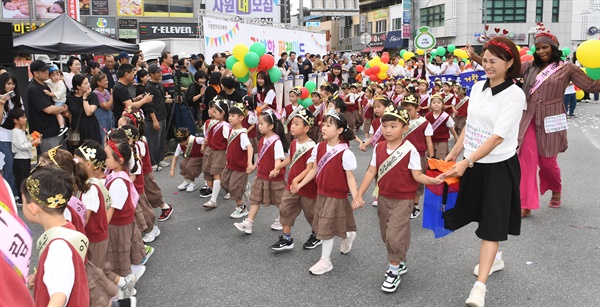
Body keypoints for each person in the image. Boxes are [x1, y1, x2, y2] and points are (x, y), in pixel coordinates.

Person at [468, 32, 600, 217]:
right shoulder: (529, 66)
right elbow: (505, 69)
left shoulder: (567, 68)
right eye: (538, 48)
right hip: (527, 116)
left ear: (553, 48)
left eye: (545, 47)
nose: (541, 51)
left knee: (547, 162)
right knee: (525, 160)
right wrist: (476, 57)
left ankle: (556, 188)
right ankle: (525, 204)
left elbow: (592, 87)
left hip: (552, 118)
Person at [443, 36, 525, 307]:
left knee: (492, 224)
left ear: (510, 62)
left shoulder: (515, 95)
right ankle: (496, 258)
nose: (487, 65)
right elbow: (471, 124)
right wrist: (455, 153)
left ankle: (479, 288)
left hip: (499, 167)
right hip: (474, 164)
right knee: (479, 215)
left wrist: (466, 161)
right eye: (485, 60)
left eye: (494, 61)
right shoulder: (478, 87)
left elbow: (497, 137)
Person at [354, 105, 444, 292]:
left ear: (404, 129)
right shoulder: (378, 147)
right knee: (387, 235)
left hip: (404, 200)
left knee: (394, 235)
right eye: (385, 126)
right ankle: (400, 259)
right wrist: (358, 195)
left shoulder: (409, 149)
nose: (388, 130)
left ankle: (393, 271)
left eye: (393, 126)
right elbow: (372, 171)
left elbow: (417, 175)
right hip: (384, 197)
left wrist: (432, 181)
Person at [294, 109, 358, 275]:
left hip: (337, 195)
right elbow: (314, 170)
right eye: (323, 124)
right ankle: (348, 235)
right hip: (321, 193)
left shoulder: (345, 152)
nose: (323, 127)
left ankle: (325, 261)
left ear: (339, 130)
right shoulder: (319, 147)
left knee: (326, 226)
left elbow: (350, 178)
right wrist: (301, 184)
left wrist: (357, 196)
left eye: (329, 125)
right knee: (333, 223)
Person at [21, 167, 90, 306]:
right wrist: (39, 275)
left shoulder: (58, 246)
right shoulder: (65, 229)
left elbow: (59, 296)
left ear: (33, 208)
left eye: (23, 201)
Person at [270, 107, 321, 251]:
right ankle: (286, 238)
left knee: (311, 213)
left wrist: (296, 181)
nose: (292, 126)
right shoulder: (293, 143)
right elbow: (291, 158)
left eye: (297, 123)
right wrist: (277, 167)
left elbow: (310, 168)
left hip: (307, 186)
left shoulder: (311, 146)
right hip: (292, 185)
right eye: (292, 123)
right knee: (286, 208)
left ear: (306, 128)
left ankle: (316, 235)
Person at [234, 109, 289, 234]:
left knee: (279, 201)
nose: (258, 126)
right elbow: (260, 155)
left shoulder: (276, 141)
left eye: (261, 124)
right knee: (255, 199)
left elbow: (278, 159)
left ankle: (283, 219)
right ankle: (248, 223)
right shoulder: (262, 139)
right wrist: (253, 166)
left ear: (271, 126)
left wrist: (275, 169)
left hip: (274, 178)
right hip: (261, 175)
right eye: (258, 123)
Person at [103, 137, 142, 293]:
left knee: (119, 256)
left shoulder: (119, 181)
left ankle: (127, 285)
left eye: (106, 157)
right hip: (119, 224)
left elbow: (111, 210)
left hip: (118, 226)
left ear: (119, 160)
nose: (103, 159)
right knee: (119, 254)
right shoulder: (114, 173)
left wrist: (100, 227)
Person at [400, 94, 435, 218]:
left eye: (409, 110)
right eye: (404, 110)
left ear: (418, 109)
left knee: (418, 181)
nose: (407, 113)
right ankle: (405, 203)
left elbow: (429, 141)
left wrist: (431, 158)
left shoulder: (424, 123)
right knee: (404, 179)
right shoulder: (401, 122)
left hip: (419, 156)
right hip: (402, 155)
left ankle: (415, 205)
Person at [26, 60, 67, 154]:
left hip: (55, 130)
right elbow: (49, 110)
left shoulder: (46, 84)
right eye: (44, 70)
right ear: (35, 73)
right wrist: (63, 108)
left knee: (60, 161)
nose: (47, 72)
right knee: (49, 163)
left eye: (47, 69)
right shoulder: (33, 88)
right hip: (45, 133)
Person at [221, 102, 253, 218]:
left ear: (241, 118)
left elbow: (249, 147)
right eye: (229, 115)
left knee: (234, 189)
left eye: (233, 115)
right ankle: (243, 187)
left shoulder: (242, 134)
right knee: (224, 183)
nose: (230, 118)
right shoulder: (231, 130)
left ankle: (241, 208)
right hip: (230, 164)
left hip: (239, 166)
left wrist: (249, 163)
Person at [201, 99, 231, 208]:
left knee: (217, 174)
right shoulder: (217, 124)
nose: (213, 114)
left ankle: (213, 200)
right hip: (214, 152)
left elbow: (229, 141)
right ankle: (235, 188)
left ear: (223, 113)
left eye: (215, 112)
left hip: (221, 153)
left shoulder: (225, 126)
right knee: (217, 174)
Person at [144, 64, 173, 170]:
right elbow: (149, 105)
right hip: (154, 119)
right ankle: (153, 163)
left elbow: (162, 99)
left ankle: (160, 160)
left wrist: (172, 100)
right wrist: (154, 120)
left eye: (160, 71)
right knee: (153, 142)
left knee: (161, 140)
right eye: (157, 72)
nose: (160, 73)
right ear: (151, 74)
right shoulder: (149, 86)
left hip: (162, 116)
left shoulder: (159, 84)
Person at [0, 72, 24, 198]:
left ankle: (15, 193)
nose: (11, 87)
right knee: (8, 167)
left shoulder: (17, 98)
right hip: (3, 137)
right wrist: (2, 104)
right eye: (8, 84)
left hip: (16, 136)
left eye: (13, 84)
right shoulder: (1, 99)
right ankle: (9, 195)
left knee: (16, 167)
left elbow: (22, 117)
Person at [8, 108, 40, 193]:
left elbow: (24, 144)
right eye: (23, 117)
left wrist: (33, 140)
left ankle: (24, 196)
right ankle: (22, 198)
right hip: (20, 159)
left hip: (25, 158)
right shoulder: (15, 132)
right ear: (16, 120)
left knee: (26, 178)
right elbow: (21, 146)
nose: (25, 119)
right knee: (22, 180)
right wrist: (33, 142)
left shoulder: (20, 131)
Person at [66, 74, 102, 145]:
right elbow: (69, 112)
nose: (88, 85)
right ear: (78, 86)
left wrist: (85, 97)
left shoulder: (92, 96)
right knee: (77, 148)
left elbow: (89, 112)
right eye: (85, 84)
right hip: (76, 126)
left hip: (90, 125)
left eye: (88, 82)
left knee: (91, 147)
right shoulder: (70, 97)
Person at [170, 127, 204, 192]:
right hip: (190, 157)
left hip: (199, 157)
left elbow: (204, 140)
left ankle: (192, 183)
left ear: (188, 138)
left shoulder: (195, 140)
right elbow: (175, 157)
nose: (181, 143)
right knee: (183, 164)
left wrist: (202, 147)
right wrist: (172, 170)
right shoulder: (180, 145)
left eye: (183, 141)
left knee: (190, 166)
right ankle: (186, 181)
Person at [425, 94, 459, 159]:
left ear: (443, 105)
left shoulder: (446, 116)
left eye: (439, 102)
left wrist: (456, 139)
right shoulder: (427, 116)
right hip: (430, 141)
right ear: (430, 105)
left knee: (440, 158)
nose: (436, 104)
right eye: (434, 103)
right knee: (430, 157)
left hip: (442, 141)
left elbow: (452, 129)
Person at [44, 65, 68, 136]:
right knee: (58, 113)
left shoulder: (61, 83)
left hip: (60, 100)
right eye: (53, 75)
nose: (56, 77)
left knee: (56, 112)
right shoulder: (49, 81)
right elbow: (45, 81)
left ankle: (62, 127)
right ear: (49, 76)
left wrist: (50, 94)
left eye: (57, 74)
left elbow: (60, 93)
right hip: (55, 100)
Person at [91, 73, 113, 143]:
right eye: (105, 81)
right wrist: (112, 96)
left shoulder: (106, 91)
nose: (107, 82)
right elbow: (106, 106)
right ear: (98, 82)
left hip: (109, 117)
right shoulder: (96, 93)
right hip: (101, 119)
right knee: (103, 137)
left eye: (107, 80)